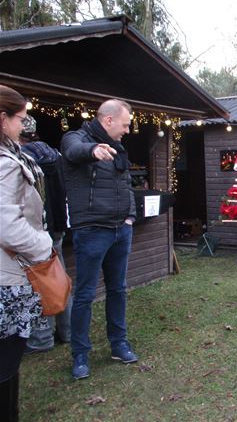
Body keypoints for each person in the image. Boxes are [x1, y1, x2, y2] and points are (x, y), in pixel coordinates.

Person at [61, 99, 138, 380]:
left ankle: (119, 344)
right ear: (108, 121)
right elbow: (73, 152)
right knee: (85, 295)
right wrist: (93, 150)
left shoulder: (118, 148)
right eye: (125, 124)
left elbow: (126, 183)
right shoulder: (75, 138)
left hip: (121, 230)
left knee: (118, 289)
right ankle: (80, 355)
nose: (128, 130)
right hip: (92, 231)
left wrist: (130, 215)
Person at [0, 85, 53, 421]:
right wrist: (44, 246)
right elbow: (6, 224)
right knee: (5, 362)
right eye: (20, 118)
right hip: (7, 278)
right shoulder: (5, 164)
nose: (24, 125)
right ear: (2, 119)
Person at [19, 116, 72, 353]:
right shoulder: (55, 155)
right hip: (57, 225)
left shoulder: (22, 158)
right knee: (57, 278)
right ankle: (67, 331)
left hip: (36, 229)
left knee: (39, 283)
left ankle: (42, 338)